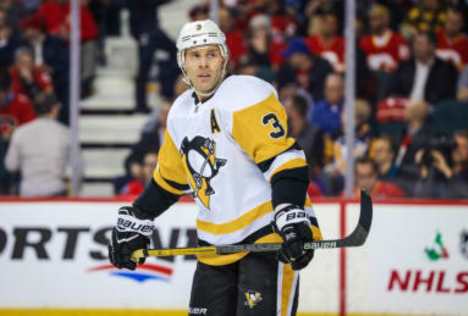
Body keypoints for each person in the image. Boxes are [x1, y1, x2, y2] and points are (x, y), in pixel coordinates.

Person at [108, 19, 322, 316]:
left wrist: (290, 213)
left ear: (224, 57)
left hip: (265, 236)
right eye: (195, 56)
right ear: (183, 61)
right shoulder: (180, 111)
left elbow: (285, 160)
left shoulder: (246, 96)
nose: (204, 64)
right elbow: (170, 180)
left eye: (211, 54)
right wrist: (138, 216)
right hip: (214, 247)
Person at [4, 92, 70, 196]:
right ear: (55, 109)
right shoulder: (65, 133)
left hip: (28, 192)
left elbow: (11, 165)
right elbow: (76, 167)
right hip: (55, 192)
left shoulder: (20, 132)